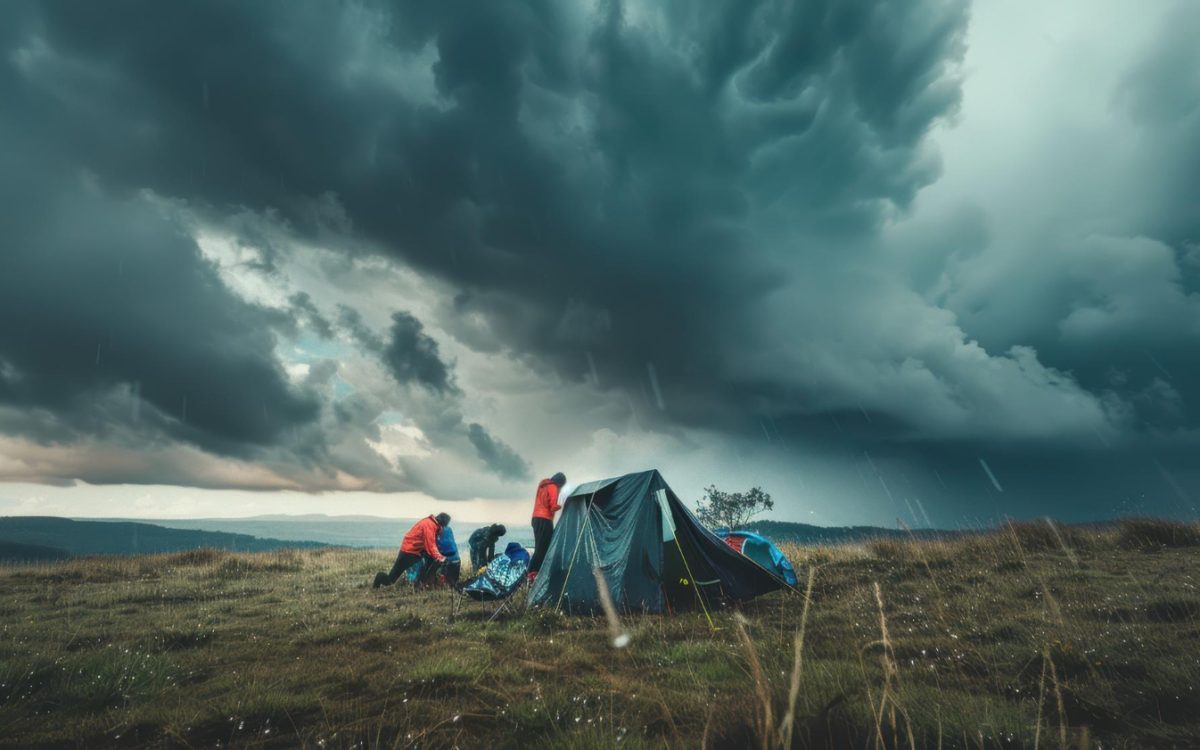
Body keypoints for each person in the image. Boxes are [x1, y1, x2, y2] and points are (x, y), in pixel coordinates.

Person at [373, 512, 451, 589]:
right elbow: (431, 546)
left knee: (424, 567)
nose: (444, 527)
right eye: (445, 524)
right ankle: (379, 578)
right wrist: (442, 558)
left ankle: (420, 585)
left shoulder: (433, 524)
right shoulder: (429, 525)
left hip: (414, 551)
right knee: (391, 580)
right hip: (409, 551)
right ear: (442, 522)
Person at [528, 472, 566, 582]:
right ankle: (534, 574)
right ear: (560, 482)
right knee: (543, 548)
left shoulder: (543, 486)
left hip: (536, 518)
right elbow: (553, 506)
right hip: (544, 519)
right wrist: (563, 505)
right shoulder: (553, 487)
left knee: (539, 547)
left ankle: (531, 573)